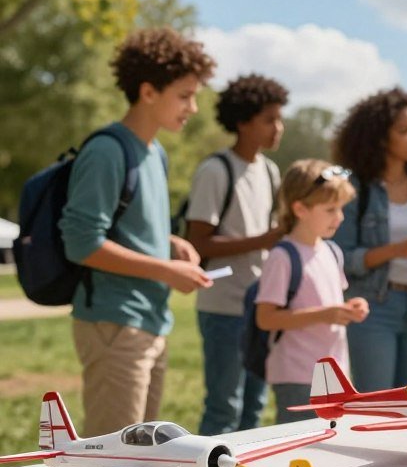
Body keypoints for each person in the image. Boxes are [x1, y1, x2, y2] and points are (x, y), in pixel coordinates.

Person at [59, 27, 215, 436]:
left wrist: (171, 243)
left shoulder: (154, 152)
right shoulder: (108, 151)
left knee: (143, 450)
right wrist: (166, 271)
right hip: (115, 324)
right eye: (184, 96)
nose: (193, 108)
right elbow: (81, 243)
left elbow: (127, 226)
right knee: (115, 453)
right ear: (148, 92)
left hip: (149, 321)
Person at [331, 87, 407, 392]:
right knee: (377, 401)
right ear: (379, 138)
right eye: (404, 130)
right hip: (374, 307)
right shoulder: (354, 189)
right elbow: (342, 258)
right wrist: (395, 250)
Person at [186, 74, 287, 435]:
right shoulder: (216, 170)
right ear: (242, 122)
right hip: (223, 308)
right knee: (223, 409)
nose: (279, 127)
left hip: (260, 308)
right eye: (269, 119)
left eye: (280, 118)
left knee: (255, 409)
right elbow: (199, 243)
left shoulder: (271, 171)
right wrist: (263, 240)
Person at [255, 160, 369, 423]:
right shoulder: (283, 257)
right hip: (298, 376)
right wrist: (324, 314)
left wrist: (352, 307)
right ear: (300, 209)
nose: (339, 217)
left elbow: (331, 303)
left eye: (341, 208)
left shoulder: (331, 251)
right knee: (302, 448)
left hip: (336, 376)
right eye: (330, 209)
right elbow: (266, 318)